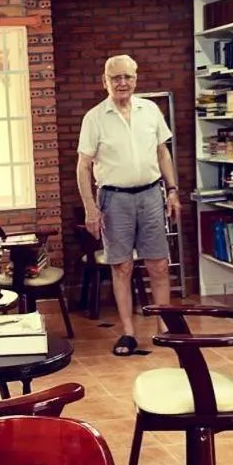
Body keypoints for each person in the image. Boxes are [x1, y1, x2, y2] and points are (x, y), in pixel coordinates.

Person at [76, 54, 180, 356]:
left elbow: (162, 152)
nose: (122, 82)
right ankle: (128, 333)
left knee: (159, 264)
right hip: (113, 198)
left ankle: (164, 329)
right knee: (121, 266)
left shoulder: (150, 110)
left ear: (136, 78)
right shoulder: (94, 118)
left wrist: (172, 190)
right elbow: (83, 167)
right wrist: (90, 209)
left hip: (151, 194)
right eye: (115, 78)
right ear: (104, 82)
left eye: (127, 77)